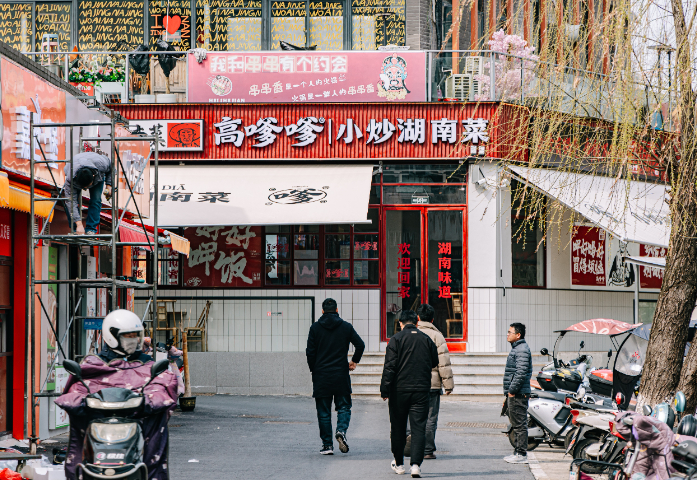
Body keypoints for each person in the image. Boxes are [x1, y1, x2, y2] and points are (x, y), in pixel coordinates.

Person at [58, 310, 177, 480]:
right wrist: (80, 400)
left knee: (156, 419)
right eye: (128, 335)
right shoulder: (93, 364)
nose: (134, 340)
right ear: (112, 336)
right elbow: (78, 388)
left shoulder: (149, 365)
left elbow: (163, 384)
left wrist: (150, 398)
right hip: (99, 419)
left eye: (137, 335)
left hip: (137, 420)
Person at [381, 310, 439, 478]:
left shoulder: (396, 339)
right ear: (417, 321)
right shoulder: (427, 339)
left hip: (399, 391)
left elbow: (389, 367)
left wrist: (385, 389)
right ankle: (415, 465)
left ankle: (399, 464)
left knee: (398, 428)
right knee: (419, 427)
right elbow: (434, 361)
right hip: (421, 390)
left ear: (401, 323)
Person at [306, 298, 365, 455]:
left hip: (322, 375)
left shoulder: (315, 328)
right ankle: (341, 431)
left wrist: (315, 370)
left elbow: (310, 352)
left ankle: (327, 446)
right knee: (344, 406)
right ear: (337, 310)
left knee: (324, 412)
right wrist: (353, 362)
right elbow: (360, 345)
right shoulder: (345, 327)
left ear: (322, 311)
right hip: (340, 374)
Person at [415, 304, 454, 460]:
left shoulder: (411, 333)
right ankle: (428, 450)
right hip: (432, 384)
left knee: (414, 416)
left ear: (418, 318)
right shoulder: (438, 336)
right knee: (431, 417)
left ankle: (413, 447)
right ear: (432, 319)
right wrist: (448, 385)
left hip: (413, 383)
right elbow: (443, 363)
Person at [503, 322, 533, 464]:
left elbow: (520, 373)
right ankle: (518, 453)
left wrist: (512, 391)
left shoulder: (521, 349)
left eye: (510, 332)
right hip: (516, 393)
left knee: (520, 425)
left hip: (518, 393)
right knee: (517, 424)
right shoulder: (518, 348)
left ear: (518, 335)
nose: (507, 334)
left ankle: (521, 454)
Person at [63, 148, 112, 235]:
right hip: (77, 171)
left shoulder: (101, 164)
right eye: (84, 187)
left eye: (88, 185)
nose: (87, 188)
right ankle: (75, 230)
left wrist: (109, 185)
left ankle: (91, 229)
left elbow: (111, 166)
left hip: (97, 173)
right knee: (69, 202)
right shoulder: (70, 179)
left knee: (96, 200)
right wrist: (79, 223)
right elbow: (71, 203)